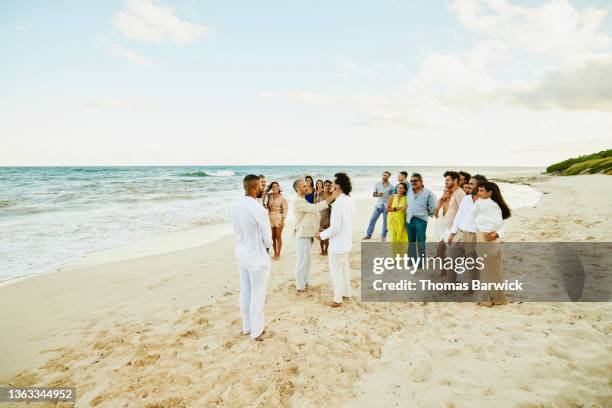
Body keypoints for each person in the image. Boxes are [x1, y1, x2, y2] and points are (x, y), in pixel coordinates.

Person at [228, 175, 272, 341]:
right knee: (258, 295)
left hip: (240, 253)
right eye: (260, 185)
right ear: (254, 186)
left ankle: (247, 327)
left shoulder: (233, 205)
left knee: (245, 292)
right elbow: (267, 237)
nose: (262, 188)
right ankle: (257, 331)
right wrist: (265, 251)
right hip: (255, 255)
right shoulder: (258, 208)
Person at [448, 175, 505, 286]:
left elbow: (501, 223)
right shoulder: (466, 198)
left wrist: (497, 234)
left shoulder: (489, 202)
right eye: (468, 183)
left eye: (471, 184)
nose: (468, 186)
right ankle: (450, 285)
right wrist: (453, 232)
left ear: (479, 186)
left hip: (476, 236)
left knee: (472, 264)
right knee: (452, 260)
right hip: (461, 234)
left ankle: (473, 286)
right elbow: (459, 216)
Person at [293, 179, 340, 293]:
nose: (307, 187)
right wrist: (332, 197)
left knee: (307, 261)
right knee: (302, 261)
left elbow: (312, 215)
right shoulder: (298, 202)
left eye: (306, 185)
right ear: (298, 189)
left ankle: (305, 282)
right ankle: (300, 286)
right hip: (302, 235)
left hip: (307, 235)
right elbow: (315, 208)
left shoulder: (303, 200)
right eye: (304, 186)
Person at [316, 172, 356, 307]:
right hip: (346, 242)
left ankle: (337, 299)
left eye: (333, 184)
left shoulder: (338, 203)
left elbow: (336, 228)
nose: (331, 186)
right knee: (344, 269)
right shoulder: (350, 200)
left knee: (336, 272)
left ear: (337, 186)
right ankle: (346, 293)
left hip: (338, 244)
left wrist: (321, 235)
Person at [474, 182, 511, 307]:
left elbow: (501, 225)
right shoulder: (480, 202)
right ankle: (490, 299)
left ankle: (496, 299)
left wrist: (496, 234)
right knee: (488, 270)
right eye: (478, 190)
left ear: (489, 193)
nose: (478, 192)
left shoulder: (492, 205)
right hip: (482, 238)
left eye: (481, 190)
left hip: (487, 240)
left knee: (490, 272)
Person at [405, 173, 437, 261]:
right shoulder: (409, 190)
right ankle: (412, 261)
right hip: (408, 219)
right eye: (411, 181)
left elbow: (434, 206)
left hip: (420, 220)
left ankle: (421, 262)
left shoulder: (428, 192)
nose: (413, 182)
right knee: (411, 242)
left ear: (421, 181)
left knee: (421, 242)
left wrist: (429, 213)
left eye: (415, 180)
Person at [363, 171, 394, 242]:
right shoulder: (378, 184)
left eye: (387, 176)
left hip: (387, 207)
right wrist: (378, 194)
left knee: (385, 223)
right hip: (378, 206)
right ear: (382, 175)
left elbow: (392, 197)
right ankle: (368, 235)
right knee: (372, 220)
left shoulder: (391, 187)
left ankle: (383, 237)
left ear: (389, 177)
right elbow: (374, 194)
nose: (385, 176)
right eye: (384, 175)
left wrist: (390, 207)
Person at [266, 182, 288, 260]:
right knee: (273, 236)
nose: (275, 188)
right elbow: (264, 202)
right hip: (270, 217)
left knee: (278, 236)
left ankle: (278, 254)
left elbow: (285, 210)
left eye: (276, 186)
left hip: (279, 217)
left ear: (279, 187)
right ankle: (275, 252)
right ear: (271, 188)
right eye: (273, 186)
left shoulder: (283, 198)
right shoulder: (269, 196)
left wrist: (283, 220)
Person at [386, 181, 408, 255]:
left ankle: (400, 254)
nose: (399, 189)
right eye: (398, 187)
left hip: (401, 219)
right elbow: (388, 209)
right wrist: (399, 208)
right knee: (393, 238)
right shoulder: (392, 196)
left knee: (400, 238)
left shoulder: (406, 199)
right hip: (391, 218)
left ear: (405, 190)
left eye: (401, 188)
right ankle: (393, 257)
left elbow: (407, 210)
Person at [317, 180, 334, 255]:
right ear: (323, 186)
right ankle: (322, 250)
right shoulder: (320, 194)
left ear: (331, 186)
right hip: (321, 216)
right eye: (326, 185)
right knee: (321, 235)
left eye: (329, 185)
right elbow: (316, 204)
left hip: (329, 216)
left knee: (327, 235)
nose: (327, 187)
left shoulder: (333, 195)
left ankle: (326, 250)